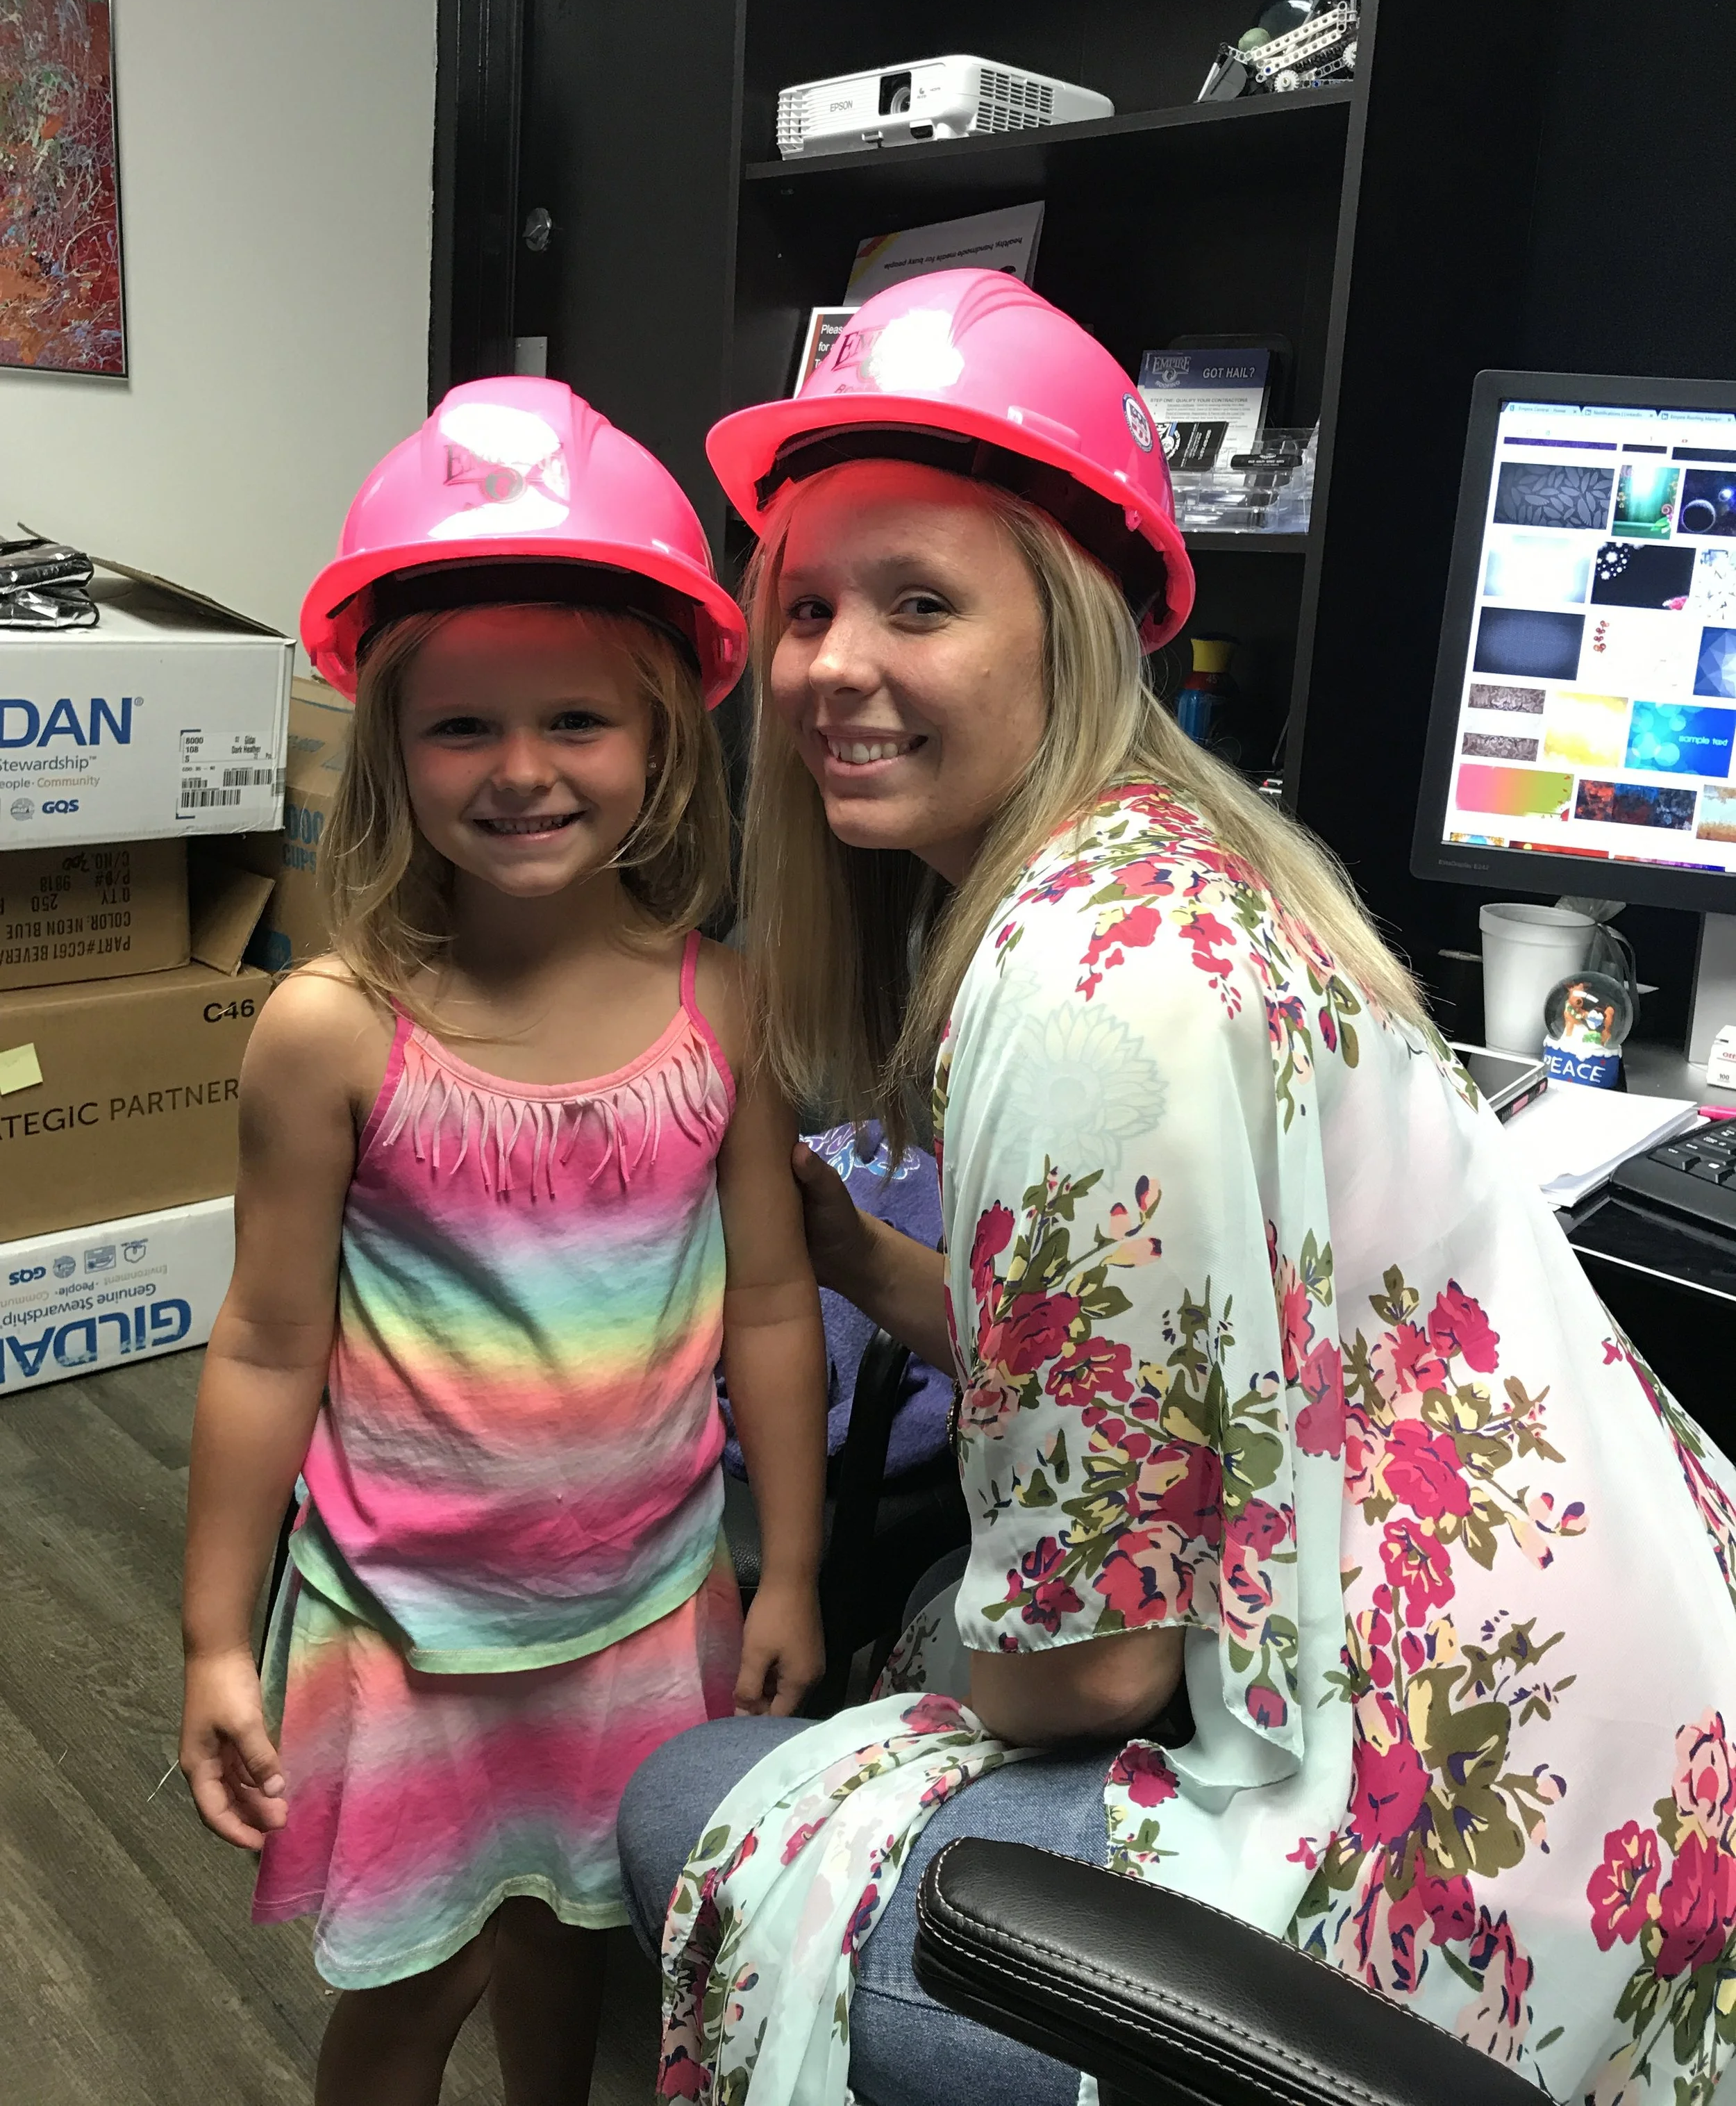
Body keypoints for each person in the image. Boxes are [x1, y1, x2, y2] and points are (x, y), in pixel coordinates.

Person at [617, 272, 1736, 2106]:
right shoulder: (1194, 853)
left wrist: (907, 1654)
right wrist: (882, 1268)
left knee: (688, 1798)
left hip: (1451, 1854)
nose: (829, 664)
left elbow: (1095, 1673)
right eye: (805, 603)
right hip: (1631, 1733)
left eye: (918, 602)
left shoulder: (1078, 992)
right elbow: (1204, 1357)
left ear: (1066, 627)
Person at [178, 379, 827, 2106]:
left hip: (647, 1616)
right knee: (417, 1983)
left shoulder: (725, 1007)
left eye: (574, 722)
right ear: (390, 746)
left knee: (578, 1943)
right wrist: (207, 1640)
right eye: (462, 728)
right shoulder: (333, 1028)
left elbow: (768, 1297)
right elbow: (262, 1344)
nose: (523, 770)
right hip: (407, 1637)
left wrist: (801, 1566)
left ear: (664, 739)